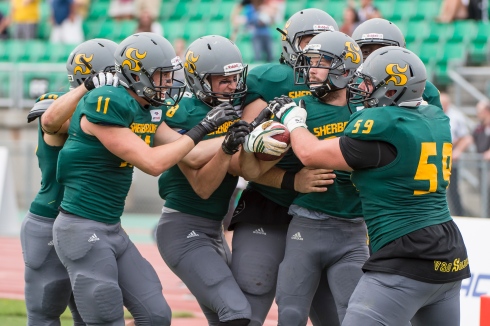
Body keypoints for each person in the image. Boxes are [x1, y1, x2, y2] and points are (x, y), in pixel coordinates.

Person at [271, 46, 470, 326]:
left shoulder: (382, 130)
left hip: (406, 253)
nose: (361, 89)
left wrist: (292, 118)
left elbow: (309, 153)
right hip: (450, 255)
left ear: (391, 90)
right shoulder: (434, 120)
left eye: (369, 83)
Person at [50, 32, 239, 325]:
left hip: (112, 228)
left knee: (155, 314)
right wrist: (203, 127)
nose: (169, 82)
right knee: (104, 314)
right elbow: (154, 163)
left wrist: (236, 136)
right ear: (136, 74)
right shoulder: (107, 101)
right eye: (161, 75)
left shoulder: (146, 109)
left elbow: (188, 154)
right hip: (81, 225)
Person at [156, 34, 286, 326]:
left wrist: (266, 126)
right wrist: (227, 143)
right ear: (200, 80)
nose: (232, 86)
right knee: (238, 313)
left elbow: (246, 166)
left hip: (214, 230)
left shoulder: (233, 107)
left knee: (228, 318)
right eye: (222, 80)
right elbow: (201, 183)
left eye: (234, 78)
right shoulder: (182, 111)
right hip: (183, 228)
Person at [229, 9, 342, 326]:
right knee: (251, 297)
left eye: (323, 44)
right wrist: (293, 180)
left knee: (338, 315)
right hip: (272, 204)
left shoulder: (352, 89)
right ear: (290, 45)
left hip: (330, 213)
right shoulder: (271, 80)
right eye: (308, 42)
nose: (314, 53)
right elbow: (243, 162)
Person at [270, 30, 368, 326]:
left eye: (320, 62)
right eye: (309, 61)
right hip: (307, 224)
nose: (311, 69)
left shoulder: (368, 112)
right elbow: (249, 168)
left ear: (345, 69)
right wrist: (290, 180)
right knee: (290, 314)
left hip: (353, 232)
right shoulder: (298, 109)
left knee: (354, 316)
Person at [23, 38, 118, 326]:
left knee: (94, 313)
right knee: (45, 313)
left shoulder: (119, 110)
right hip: (49, 218)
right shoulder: (55, 103)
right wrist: (88, 89)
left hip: (93, 219)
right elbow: (53, 121)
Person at [351, 18, 443, 110]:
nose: (374, 58)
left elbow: (436, 121)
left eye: (383, 51)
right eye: (366, 52)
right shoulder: (348, 88)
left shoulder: (422, 88)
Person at [440, 92, 472, 216]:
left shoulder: (456, 116)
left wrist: (457, 151)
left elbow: (466, 137)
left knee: (453, 190)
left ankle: (458, 214)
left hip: (450, 159)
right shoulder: (433, 114)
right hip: (436, 158)